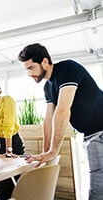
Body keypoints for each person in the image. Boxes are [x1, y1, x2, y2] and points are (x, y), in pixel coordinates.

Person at [17, 43, 103, 200]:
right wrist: (45, 153)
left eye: (31, 68)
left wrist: (52, 151)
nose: (29, 74)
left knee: (97, 191)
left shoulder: (67, 69)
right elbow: (48, 121)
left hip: (100, 132)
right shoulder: (48, 87)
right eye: (26, 70)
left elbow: (62, 111)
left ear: (44, 62)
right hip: (92, 135)